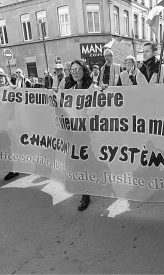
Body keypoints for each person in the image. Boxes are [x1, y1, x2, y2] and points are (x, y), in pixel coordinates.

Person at [64, 60, 94, 211]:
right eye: (72, 70)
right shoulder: (70, 89)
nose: (75, 72)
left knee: (92, 162)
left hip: (94, 132)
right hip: (77, 133)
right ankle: (85, 194)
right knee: (80, 163)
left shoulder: (93, 87)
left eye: (78, 69)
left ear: (84, 70)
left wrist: (105, 90)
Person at [0, 68, 20, 180]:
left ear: (5, 78)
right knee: (7, 147)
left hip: (14, 123)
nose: (0, 78)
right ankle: (13, 169)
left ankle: (23, 167)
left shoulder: (13, 89)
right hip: (1, 124)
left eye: (2, 76)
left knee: (18, 145)